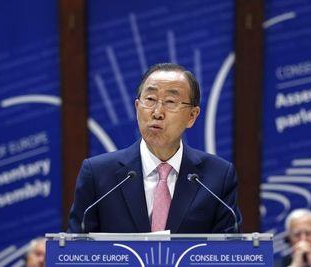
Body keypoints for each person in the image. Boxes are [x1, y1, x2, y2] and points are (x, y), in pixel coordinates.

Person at [68, 63, 241, 233]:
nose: (157, 112)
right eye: (150, 100)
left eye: (170, 102)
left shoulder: (217, 178)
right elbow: (75, 252)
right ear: (137, 108)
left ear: (192, 116)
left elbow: (229, 254)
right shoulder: (98, 175)